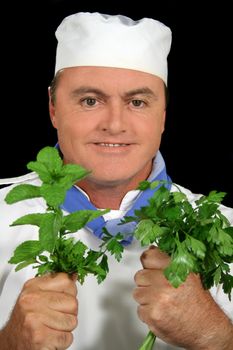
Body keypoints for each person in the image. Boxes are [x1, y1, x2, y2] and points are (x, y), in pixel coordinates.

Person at [0, 11, 232, 350]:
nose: (114, 124)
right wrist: (9, 343)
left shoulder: (223, 227)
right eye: (90, 100)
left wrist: (216, 336)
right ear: (52, 109)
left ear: (163, 116)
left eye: (137, 102)